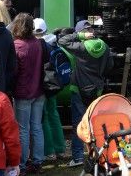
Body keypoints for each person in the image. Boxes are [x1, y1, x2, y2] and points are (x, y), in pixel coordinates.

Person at [58, 19, 114, 168]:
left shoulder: (80, 47)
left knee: (78, 123)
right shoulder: (104, 46)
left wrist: (80, 36)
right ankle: (99, 154)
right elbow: (110, 66)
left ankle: (77, 157)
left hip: (79, 89)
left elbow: (62, 40)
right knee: (96, 123)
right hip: (97, 89)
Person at [10, 13, 46, 174]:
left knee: (23, 129)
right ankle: (38, 160)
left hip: (23, 92)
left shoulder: (16, 45)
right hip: (39, 89)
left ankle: (23, 163)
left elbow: (14, 71)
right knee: (37, 127)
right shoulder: (38, 43)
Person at [34, 20, 66, 162]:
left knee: (43, 117)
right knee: (54, 114)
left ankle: (49, 151)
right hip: (52, 85)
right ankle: (60, 149)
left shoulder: (37, 45)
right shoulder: (53, 42)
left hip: (40, 86)